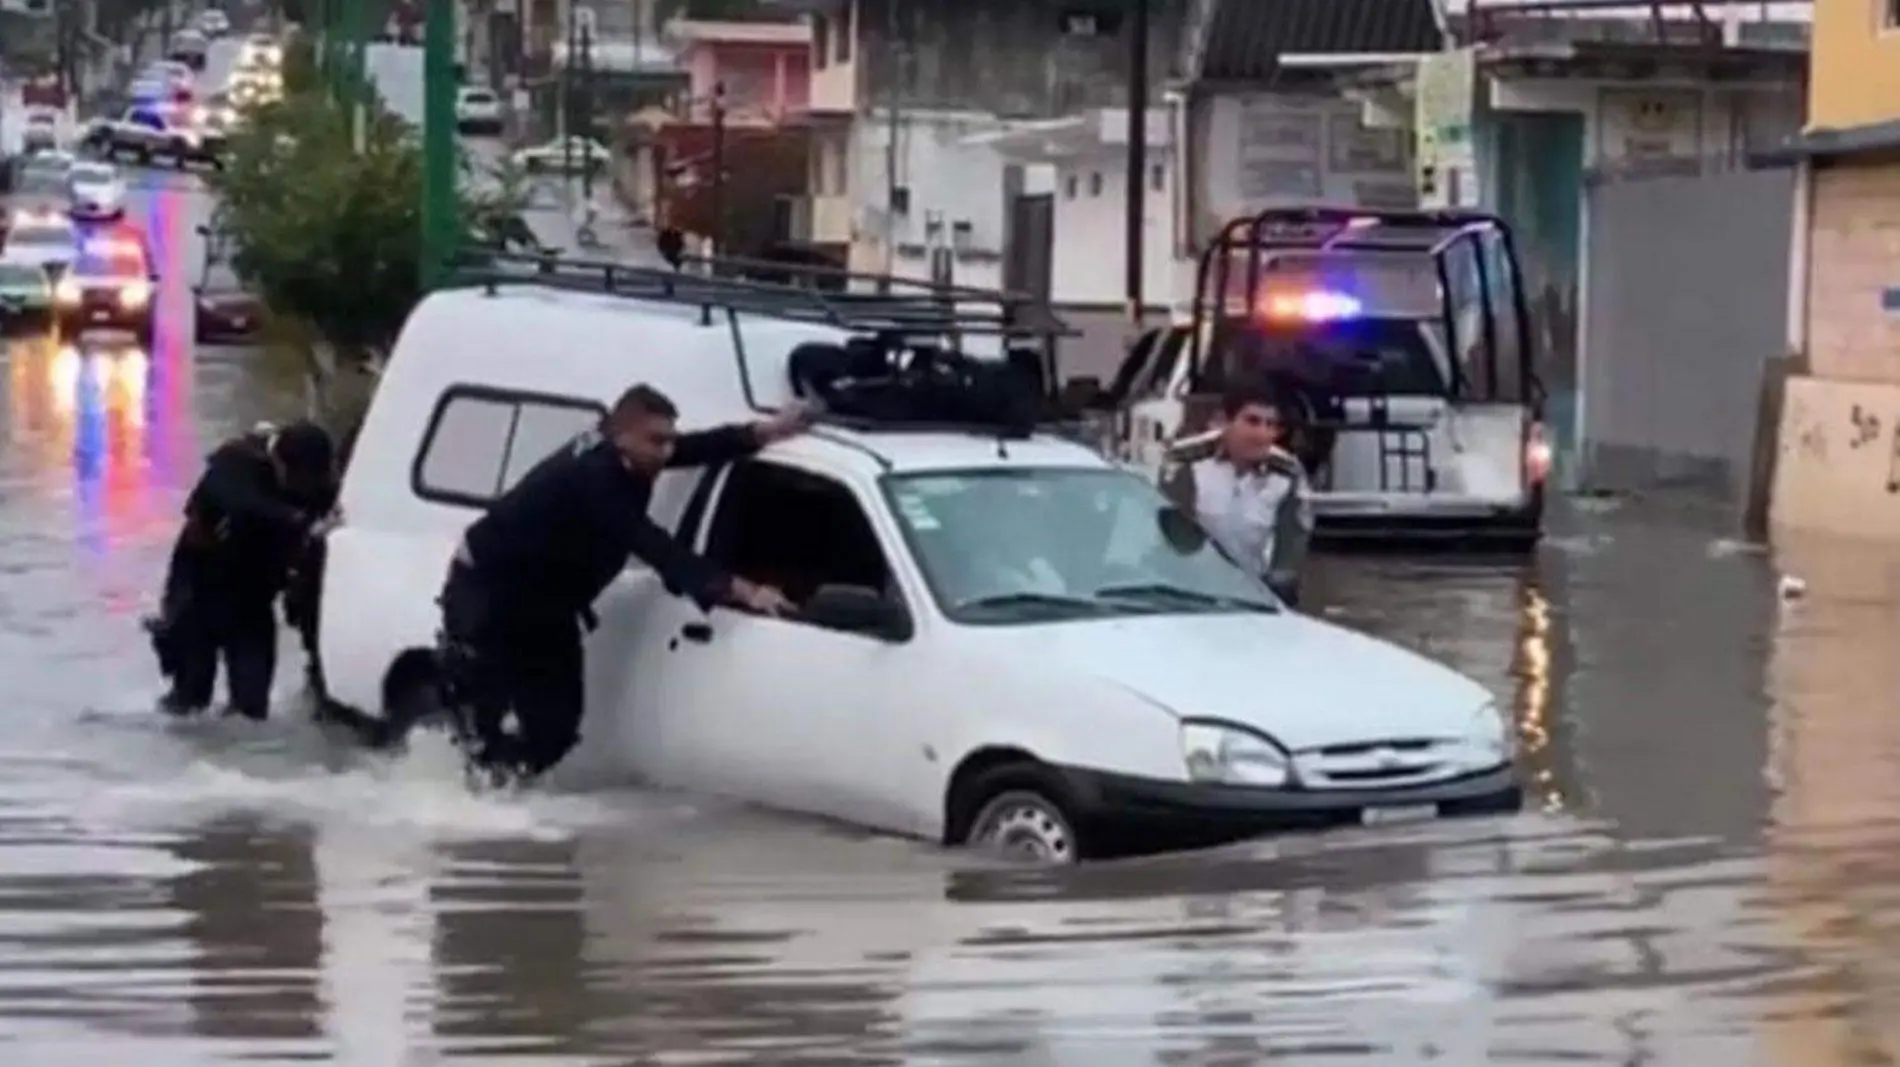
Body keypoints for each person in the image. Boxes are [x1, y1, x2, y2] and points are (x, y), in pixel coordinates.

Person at [437, 384, 808, 785]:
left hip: (547, 606)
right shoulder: (596, 480)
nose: (667, 451)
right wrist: (743, 590)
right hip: (489, 595)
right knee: (482, 725)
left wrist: (761, 433)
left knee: (556, 731)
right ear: (621, 435)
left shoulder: (628, 453)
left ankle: (502, 794)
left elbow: (688, 449)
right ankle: (455, 798)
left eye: (669, 439)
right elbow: (655, 547)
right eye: (657, 441)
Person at [148, 420, 339, 720]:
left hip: (254, 598)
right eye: (301, 479)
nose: (306, 487)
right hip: (198, 591)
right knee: (191, 699)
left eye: (313, 481)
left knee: (251, 710)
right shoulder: (236, 463)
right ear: (281, 463)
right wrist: (300, 521)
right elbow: (242, 504)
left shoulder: (318, 488)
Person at [1162, 383, 1313, 605]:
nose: (1262, 433)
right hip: (1193, 588)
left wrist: (1281, 584)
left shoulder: (1287, 472)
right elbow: (1170, 534)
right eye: (1252, 421)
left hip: (1255, 590)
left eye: (1271, 425)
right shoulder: (1186, 460)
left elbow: (1293, 539)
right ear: (1224, 422)